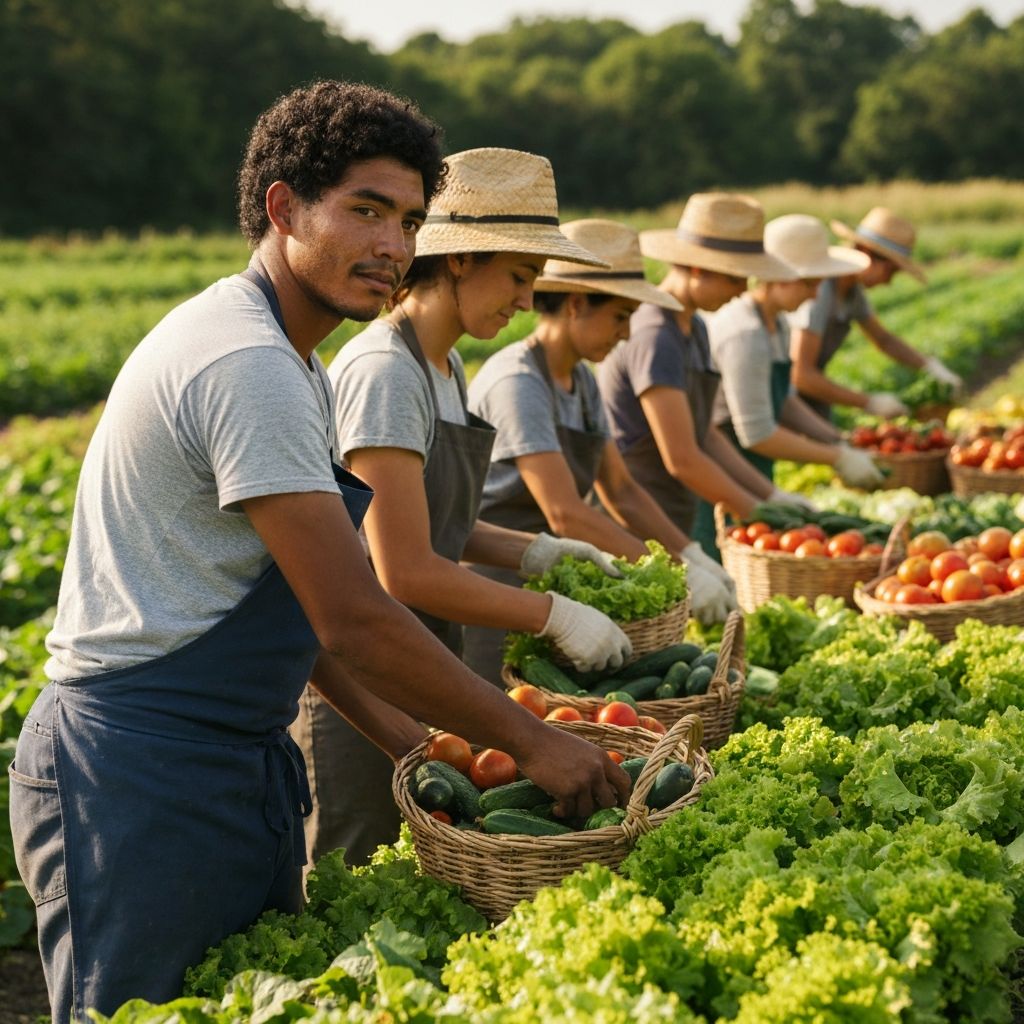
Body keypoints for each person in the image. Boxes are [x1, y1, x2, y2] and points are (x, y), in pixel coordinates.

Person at [8, 82, 629, 1023]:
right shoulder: (246, 363)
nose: (392, 246)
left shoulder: (292, 360)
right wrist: (532, 740)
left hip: (226, 755)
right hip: (136, 774)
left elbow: (300, 616)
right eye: (365, 210)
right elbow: (355, 612)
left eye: (410, 220)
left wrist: (415, 745)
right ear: (282, 208)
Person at [296, 147, 632, 866]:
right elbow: (405, 570)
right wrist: (552, 613)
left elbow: (433, 522)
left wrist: (533, 551)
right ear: (458, 260)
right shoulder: (388, 371)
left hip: (418, 663)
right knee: (359, 871)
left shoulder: (444, 367)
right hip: (365, 680)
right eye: (517, 275)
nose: (523, 298)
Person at [461, 218, 738, 684]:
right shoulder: (519, 382)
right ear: (575, 304)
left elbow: (622, 490)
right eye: (620, 316)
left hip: (555, 586)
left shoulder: (583, 381)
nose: (627, 334)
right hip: (495, 584)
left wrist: (686, 554)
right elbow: (566, 512)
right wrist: (672, 576)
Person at [596, 193, 814, 558]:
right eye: (735, 278)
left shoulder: (693, 328)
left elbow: (705, 434)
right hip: (637, 523)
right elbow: (681, 458)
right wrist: (757, 511)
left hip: (673, 511)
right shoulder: (655, 335)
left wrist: (769, 495)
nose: (743, 290)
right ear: (698, 269)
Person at [708, 213, 885, 490]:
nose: (816, 295)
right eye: (810, 284)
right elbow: (758, 434)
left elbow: (786, 400)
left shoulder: (777, 323)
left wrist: (837, 439)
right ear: (778, 277)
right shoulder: (745, 333)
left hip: (752, 468)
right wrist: (836, 457)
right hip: (723, 473)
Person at [789, 206, 963, 421]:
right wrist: (868, 402)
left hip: (805, 393)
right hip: (782, 394)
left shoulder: (852, 292)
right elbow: (800, 374)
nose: (889, 282)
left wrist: (930, 367)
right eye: (891, 271)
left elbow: (883, 339)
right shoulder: (820, 289)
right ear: (866, 252)